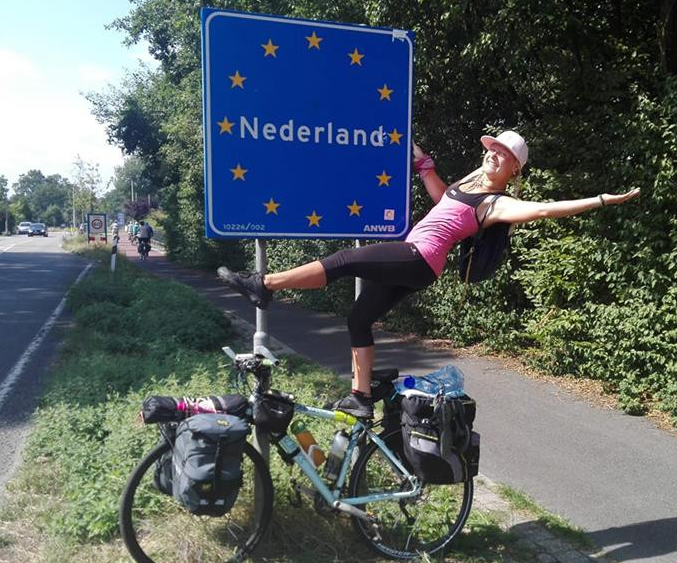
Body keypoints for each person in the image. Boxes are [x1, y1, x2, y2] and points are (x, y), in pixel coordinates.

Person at [218, 130, 640, 417]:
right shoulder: (470, 185)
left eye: (504, 155)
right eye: (493, 149)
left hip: (419, 257)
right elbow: (441, 200)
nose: (494, 155)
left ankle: (264, 285)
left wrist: (600, 200)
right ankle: (361, 396)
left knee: (345, 260)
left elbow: (545, 210)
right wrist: (423, 163)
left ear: (515, 169)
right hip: (418, 262)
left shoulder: (498, 203)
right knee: (359, 319)